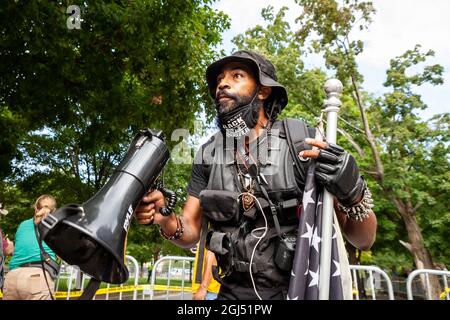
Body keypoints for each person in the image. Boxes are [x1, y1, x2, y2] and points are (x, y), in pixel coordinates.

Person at [135, 50, 377, 299]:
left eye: (236, 75)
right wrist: (163, 217)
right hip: (229, 295)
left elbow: (364, 239)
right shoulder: (207, 154)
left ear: (263, 90)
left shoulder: (302, 144)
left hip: (294, 292)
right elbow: (189, 233)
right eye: (219, 79)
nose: (222, 84)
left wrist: (353, 192)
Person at [2, 195, 59, 300]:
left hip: (12, 278)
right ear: (54, 210)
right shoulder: (56, 226)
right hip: (37, 277)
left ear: (35, 208)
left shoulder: (23, 225)